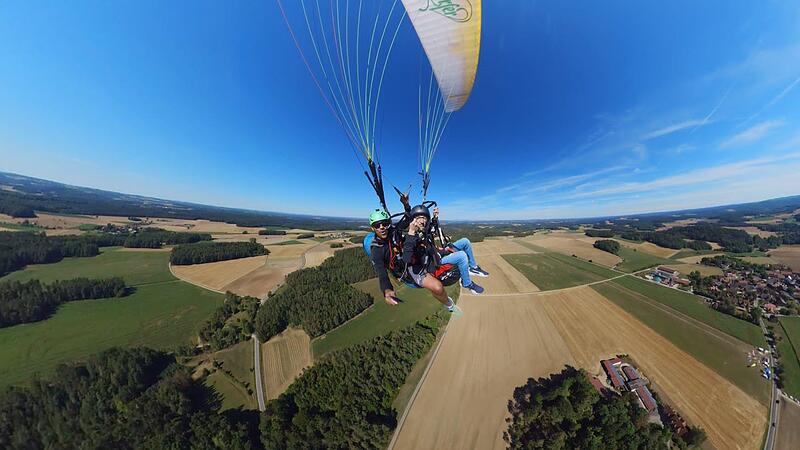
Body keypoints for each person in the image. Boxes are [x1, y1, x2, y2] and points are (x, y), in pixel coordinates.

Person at [403, 204, 487, 304]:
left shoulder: (424, 231)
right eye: (418, 218)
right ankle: (466, 283)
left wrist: (435, 217)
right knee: (462, 256)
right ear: (412, 220)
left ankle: (473, 266)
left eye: (424, 218)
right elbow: (407, 258)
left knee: (465, 241)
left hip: (439, 253)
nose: (422, 220)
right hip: (435, 263)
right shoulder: (410, 238)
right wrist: (411, 232)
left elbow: (431, 225)